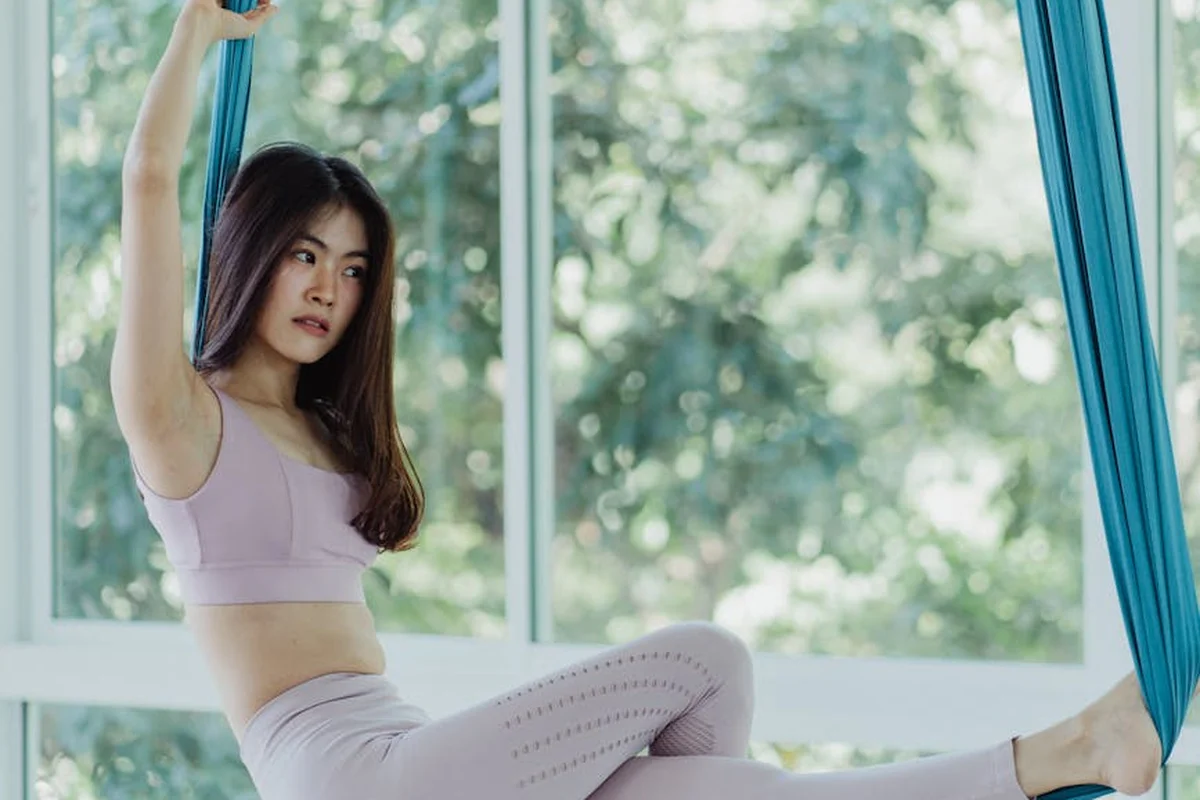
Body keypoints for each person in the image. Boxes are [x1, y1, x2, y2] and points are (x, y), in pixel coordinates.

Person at [112, 1, 1178, 798]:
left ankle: (1066, 752)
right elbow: (151, 181)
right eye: (304, 253)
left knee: (725, 743)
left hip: (411, 743)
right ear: (248, 250)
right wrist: (196, 39)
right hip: (346, 775)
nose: (327, 289)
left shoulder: (329, 431)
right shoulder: (180, 420)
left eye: (352, 269)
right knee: (699, 656)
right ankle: (1067, 750)